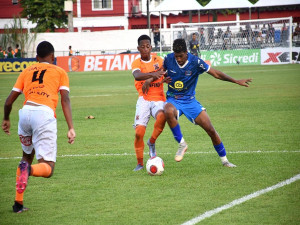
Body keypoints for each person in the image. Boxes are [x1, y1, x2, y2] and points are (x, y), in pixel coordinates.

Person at [2, 41, 76, 213]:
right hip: (43, 114)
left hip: (25, 114)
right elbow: (65, 99)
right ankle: (29, 170)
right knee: (48, 167)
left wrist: (6, 119)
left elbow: (8, 101)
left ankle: (18, 204)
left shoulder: (27, 71)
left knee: (26, 157)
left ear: (36, 58)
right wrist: (71, 127)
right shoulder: (59, 71)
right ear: (53, 57)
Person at [163, 39, 252, 167]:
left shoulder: (195, 62)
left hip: (190, 101)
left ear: (186, 52)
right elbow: (160, 73)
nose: (178, 59)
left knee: (210, 129)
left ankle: (225, 160)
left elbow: (216, 74)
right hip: (173, 99)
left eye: (181, 56)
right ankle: (182, 143)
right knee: (167, 110)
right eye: (176, 56)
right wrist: (162, 78)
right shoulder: (168, 59)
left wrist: (236, 81)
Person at [131, 34, 169, 171]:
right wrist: (154, 75)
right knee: (139, 132)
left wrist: (152, 79)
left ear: (151, 47)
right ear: (138, 48)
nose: (146, 49)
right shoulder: (137, 63)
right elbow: (137, 75)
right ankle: (140, 163)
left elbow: (164, 72)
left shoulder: (159, 60)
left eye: (148, 46)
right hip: (144, 99)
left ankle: (151, 142)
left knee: (162, 116)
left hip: (158, 98)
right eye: (143, 47)